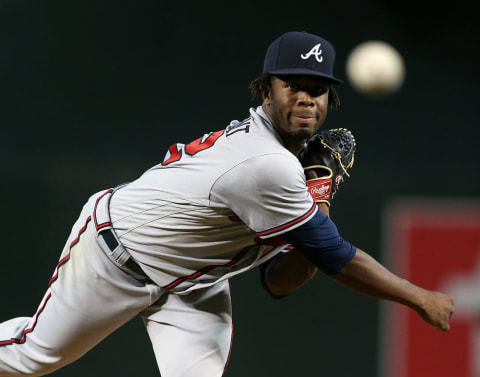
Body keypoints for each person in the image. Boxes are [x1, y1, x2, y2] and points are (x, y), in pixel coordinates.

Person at [0, 31, 454, 377]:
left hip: (193, 282)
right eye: (290, 84)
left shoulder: (289, 166)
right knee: (32, 357)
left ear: (329, 98)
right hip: (116, 255)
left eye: (315, 89)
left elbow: (281, 281)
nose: (304, 98)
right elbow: (333, 256)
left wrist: (318, 199)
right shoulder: (267, 164)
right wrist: (419, 298)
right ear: (265, 90)